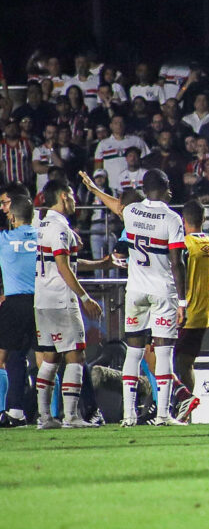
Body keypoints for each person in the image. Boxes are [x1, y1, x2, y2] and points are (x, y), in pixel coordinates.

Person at [34, 180, 110, 428]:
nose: (76, 201)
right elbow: (64, 266)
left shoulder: (42, 225)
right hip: (61, 300)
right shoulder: (61, 229)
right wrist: (85, 297)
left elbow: (66, 261)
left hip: (42, 299)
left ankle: (45, 418)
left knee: (50, 357)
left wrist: (100, 264)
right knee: (76, 356)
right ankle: (72, 417)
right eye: (73, 195)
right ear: (64, 196)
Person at [120, 170, 187, 427]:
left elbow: (119, 205)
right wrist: (183, 301)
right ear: (166, 186)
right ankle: (162, 415)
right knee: (164, 352)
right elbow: (176, 262)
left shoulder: (131, 211)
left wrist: (93, 190)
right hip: (162, 291)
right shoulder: (172, 218)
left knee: (134, 353)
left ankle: (128, 415)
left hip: (135, 290)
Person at [170, 199, 209, 422]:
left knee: (161, 359)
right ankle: (184, 413)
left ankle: (178, 404)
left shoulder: (185, 245)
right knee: (186, 363)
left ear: (183, 220)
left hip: (184, 313)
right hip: (202, 314)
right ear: (204, 219)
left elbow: (179, 272)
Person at [0, 195, 38, 427]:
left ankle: (7, 410)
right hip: (41, 302)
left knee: (3, 358)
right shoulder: (43, 237)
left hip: (14, 303)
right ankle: (47, 414)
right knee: (47, 360)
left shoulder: (4, 239)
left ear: (12, 216)